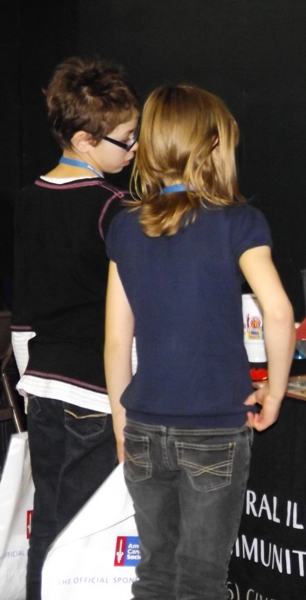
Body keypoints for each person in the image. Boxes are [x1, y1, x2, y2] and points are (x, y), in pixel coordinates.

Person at [104, 83, 295, 600]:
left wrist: (122, 424)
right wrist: (275, 392)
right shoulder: (239, 222)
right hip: (214, 429)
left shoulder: (124, 228)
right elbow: (278, 312)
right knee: (200, 582)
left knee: (154, 574)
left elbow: (117, 341)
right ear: (213, 145)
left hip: (143, 426)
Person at [10, 56, 140, 600]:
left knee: (49, 520)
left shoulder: (29, 199)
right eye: (125, 141)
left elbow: (23, 310)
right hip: (97, 392)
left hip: (41, 384)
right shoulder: (115, 207)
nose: (134, 151)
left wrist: (30, 379)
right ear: (86, 140)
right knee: (87, 533)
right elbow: (131, 319)